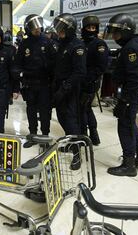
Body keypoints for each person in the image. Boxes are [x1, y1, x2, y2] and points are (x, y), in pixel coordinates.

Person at [104, 13, 138, 177]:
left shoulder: (132, 47)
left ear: (126, 31)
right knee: (129, 123)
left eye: (117, 33)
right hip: (137, 90)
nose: (114, 36)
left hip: (132, 92)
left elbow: (135, 78)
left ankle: (128, 164)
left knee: (124, 125)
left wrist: (124, 101)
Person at [15, 14, 57, 147]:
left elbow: (55, 63)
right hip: (29, 84)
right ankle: (32, 135)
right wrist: (20, 76)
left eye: (39, 27)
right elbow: (17, 64)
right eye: (34, 28)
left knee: (45, 111)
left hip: (45, 84)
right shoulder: (24, 44)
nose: (37, 30)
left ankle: (45, 136)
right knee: (31, 111)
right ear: (28, 29)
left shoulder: (48, 42)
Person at [52, 13, 86, 170]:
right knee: (62, 118)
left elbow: (79, 72)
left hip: (70, 89)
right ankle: (72, 145)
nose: (59, 32)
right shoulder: (62, 43)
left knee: (72, 121)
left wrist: (65, 89)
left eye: (62, 29)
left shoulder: (77, 46)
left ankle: (77, 153)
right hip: (60, 87)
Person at [80, 15, 109, 145]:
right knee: (86, 109)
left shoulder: (99, 44)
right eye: (88, 27)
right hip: (80, 81)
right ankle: (93, 135)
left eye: (93, 27)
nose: (91, 30)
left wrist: (90, 79)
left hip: (90, 82)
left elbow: (102, 66)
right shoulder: (80, 42)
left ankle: (86, 135)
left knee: (83, 108)